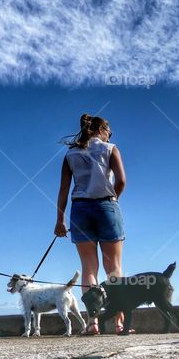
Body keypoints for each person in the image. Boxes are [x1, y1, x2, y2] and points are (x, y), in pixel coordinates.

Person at [54, 113, 128, 335]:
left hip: (80, 210)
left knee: (89, 268)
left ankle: (93, 322)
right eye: (109, 131)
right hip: (106, 205)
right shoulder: (110, 148)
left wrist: (60, 220)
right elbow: (122, 181)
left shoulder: (71, 154)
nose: (110, 135)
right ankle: (119, 323)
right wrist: (112, 201)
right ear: (102, 130)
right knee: (113, 267)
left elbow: (64, 190)